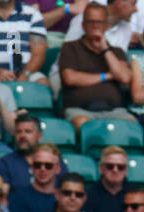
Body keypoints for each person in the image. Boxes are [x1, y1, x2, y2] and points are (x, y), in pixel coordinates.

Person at [57, 2, 134, 130]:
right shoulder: (70, 47)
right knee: (83, 125)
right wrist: (108, 75)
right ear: (83, 25)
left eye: (99, 22)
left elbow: (125, 77)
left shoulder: (116, 52)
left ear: (107, 26)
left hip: (114, 111)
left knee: (132, 126)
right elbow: (70, 78)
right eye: (90, 22)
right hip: (81, 110)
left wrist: (105, 50)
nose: (95, 26)